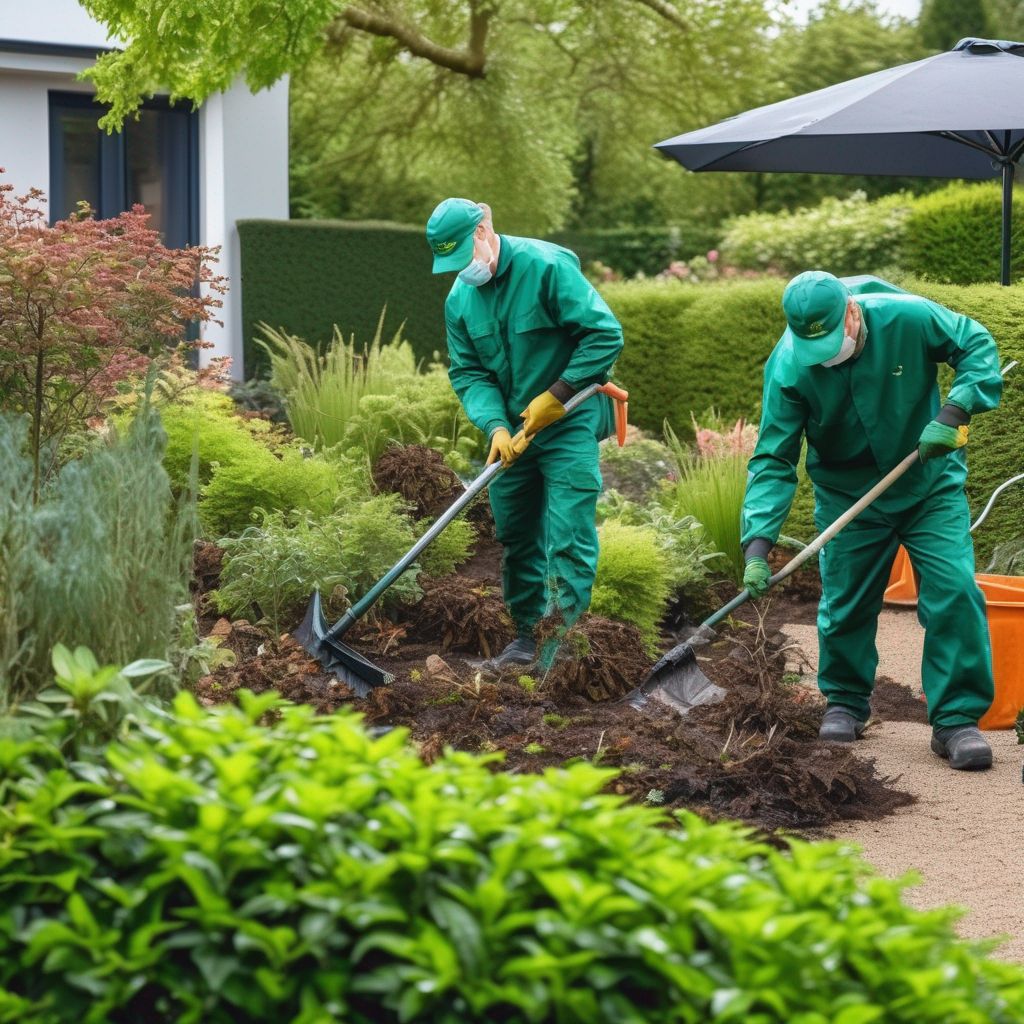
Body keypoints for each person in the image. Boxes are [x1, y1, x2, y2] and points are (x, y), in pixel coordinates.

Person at [740, 271, 1002, 770]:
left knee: (954, 592)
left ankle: (956, 720)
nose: (828, 358)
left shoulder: (908, 316)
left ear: (853, 313)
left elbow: (977, 345)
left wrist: (955, 410)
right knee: (846, 604)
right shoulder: (789, 366)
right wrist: (757, 543)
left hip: (928, 484)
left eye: (833, 343)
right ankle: (845, 702)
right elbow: (773, 458)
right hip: (847, 495)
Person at [425, 197, 623, 668]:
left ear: (482, 232)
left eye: (463, 258)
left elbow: (604, 334)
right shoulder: (460, 298)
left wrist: (558, 392)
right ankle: (528, 637)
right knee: (516, 534)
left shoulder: (547, 267)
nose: (462, 271)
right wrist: (494, 425)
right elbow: (469, 372)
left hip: (567, 421)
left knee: (567, 535)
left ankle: (563, 648)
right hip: (513, 432)